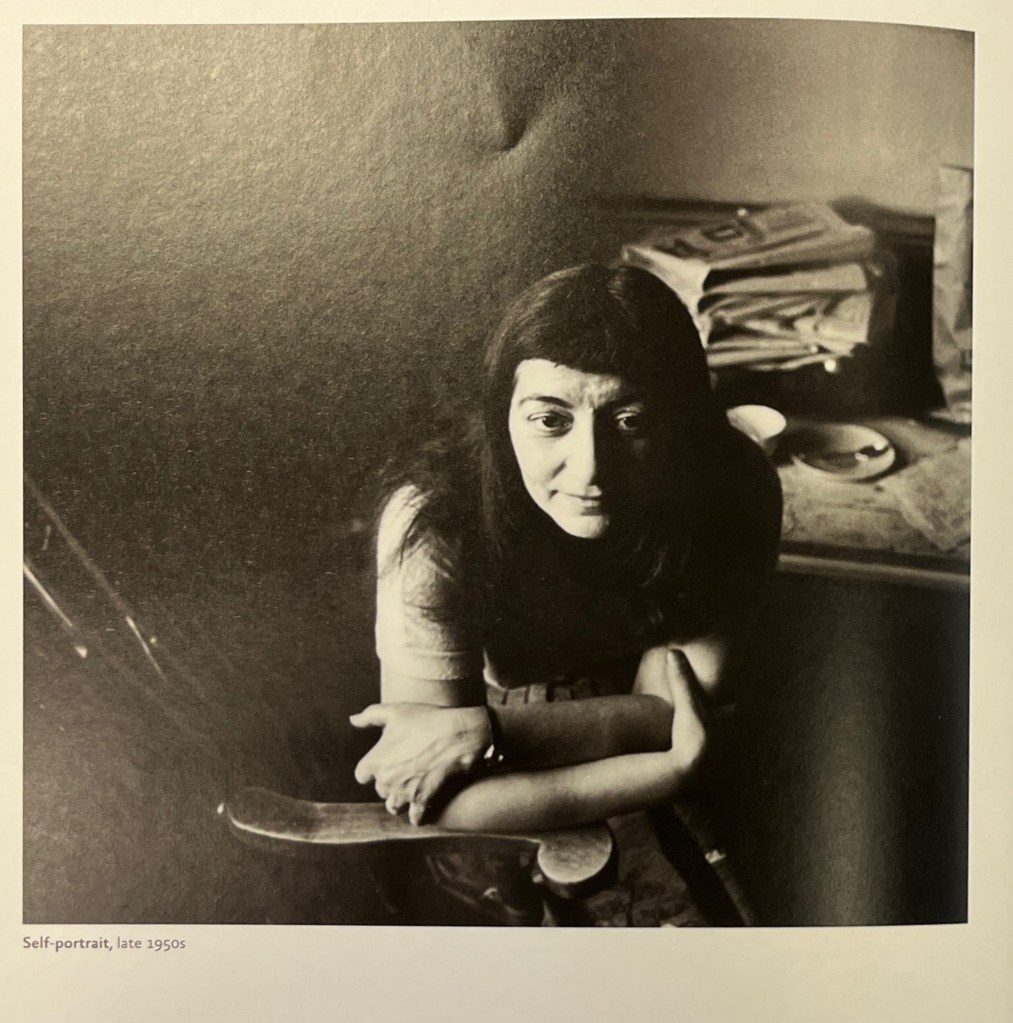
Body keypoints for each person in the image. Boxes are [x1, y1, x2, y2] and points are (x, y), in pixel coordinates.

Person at [351, 264, 781, 922]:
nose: (589, 470)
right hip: (515, 770)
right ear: (500, 417)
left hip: (515, 738)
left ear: (680, 419)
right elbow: (439, 801)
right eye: (549, 421)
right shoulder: (431, 519)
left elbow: (670, 713)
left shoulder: (732, 485)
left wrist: (483, 729)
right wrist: (669, 768)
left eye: (630, 420)